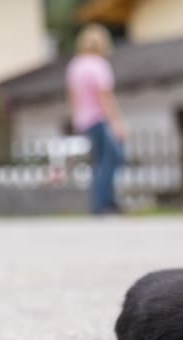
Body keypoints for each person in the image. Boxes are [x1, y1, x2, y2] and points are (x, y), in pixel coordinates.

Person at [66, 25, 126, 215]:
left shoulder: (76, 65)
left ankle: (103, 202)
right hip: (100, 118)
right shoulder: (99, 65)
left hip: (85, 119)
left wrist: (76, 116)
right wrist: (117, 122)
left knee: (101, 160)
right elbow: (105, 97)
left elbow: (73, 95)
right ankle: (104, 203)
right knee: (114, 157)